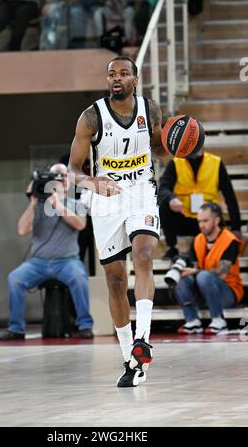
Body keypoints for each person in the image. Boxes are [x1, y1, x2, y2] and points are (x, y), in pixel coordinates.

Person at [68, 56, 168, 387]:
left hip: (141, 193)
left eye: (124, 73)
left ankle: (143, 339)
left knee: (142, 255)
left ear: (135, 80)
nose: (117, 78)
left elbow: (159, 149)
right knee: (114, 279)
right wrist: (92, 182)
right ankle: (130, 359)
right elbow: (72, 170)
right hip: (106, 198)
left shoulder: (151, 110)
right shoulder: (91, 117)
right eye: (112, 73)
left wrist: (175, 145)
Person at [0, 163, 94, 341]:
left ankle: (85, 325)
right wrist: (33, 203)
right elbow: (21, 230)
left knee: (79, 278)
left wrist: (58, 204)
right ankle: (16, 328)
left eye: (64, 176)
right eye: (56, 177)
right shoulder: (40, 204)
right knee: (15, 279)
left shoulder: (77, 203)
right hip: (38, 263)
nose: (61, 180)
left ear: (68, 180)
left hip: (67, 261)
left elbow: (81, 225)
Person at [159, 148, 242, 260]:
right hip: (184, 218)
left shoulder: (216, 162)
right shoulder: (175, 162)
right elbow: (163, 189)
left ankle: (214, 250)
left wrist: (236, 227)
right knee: (164, 204)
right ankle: (172, 248)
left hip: (209, 218)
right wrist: (171, 198)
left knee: (215, 213)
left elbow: (230, 196)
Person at [174, 202, 243, 334]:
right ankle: (192, 320)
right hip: (204, 291)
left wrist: (196, 271)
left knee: (203, 276)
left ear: (217, 220)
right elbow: (194, 269)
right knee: (181, 277)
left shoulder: (230, 240)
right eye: (199, 221)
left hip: (228, 292)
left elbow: (222, 274)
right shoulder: (197, 240)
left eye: (205, 220)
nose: (201, 225)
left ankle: (218, 320)